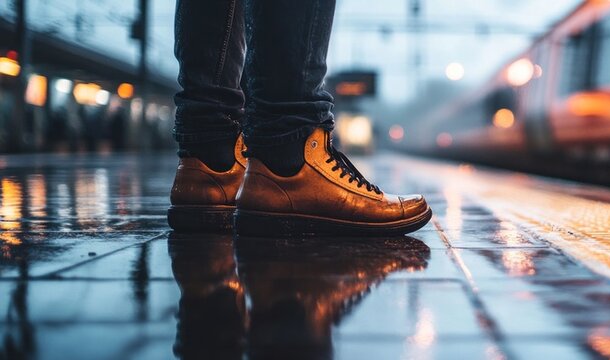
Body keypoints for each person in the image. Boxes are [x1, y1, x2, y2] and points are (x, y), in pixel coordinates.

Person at [167, 0, 431, 236]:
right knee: (286, 126)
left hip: (197, 150)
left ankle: (207, 161)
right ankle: (289, 155)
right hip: (286, 149)